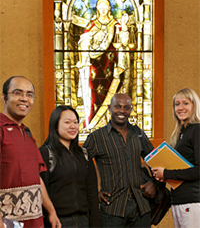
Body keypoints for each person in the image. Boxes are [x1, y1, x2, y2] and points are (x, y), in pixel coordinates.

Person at [83, 93, 156, 227]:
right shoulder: (97, 137)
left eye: (126, 107)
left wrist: (154, 183)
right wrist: (94, 192)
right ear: (110, 108)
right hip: (112, 210)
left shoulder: (138, 134)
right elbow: (81, 166)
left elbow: (156, 160)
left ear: (131, 110)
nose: (122, 111)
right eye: (118, 106)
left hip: (141, 208)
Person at [0, 76, 61, 228]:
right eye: (18, 93)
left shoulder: (26, 132)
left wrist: (51, 211)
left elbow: (36, 176)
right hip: (8, 222)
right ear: (4, 97)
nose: (24, 99)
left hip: (34, 221)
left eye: (29, 95)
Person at [39, 105, 99, 228]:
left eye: (76, 122)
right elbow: (40, 192)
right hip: (57, 222)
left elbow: (92, 192)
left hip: (84, 221)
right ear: (55, 125)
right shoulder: (45, 153)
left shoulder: (84, 154)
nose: (73, 126)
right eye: (67, 122)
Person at [77, 0, 131, 131]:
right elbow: (83, 41)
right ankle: (93, 123)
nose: (102, 10)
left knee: (111, 92)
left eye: (105, 8)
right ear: (96, 9)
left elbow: (124, 41)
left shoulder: (116, 24)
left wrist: (124, 27)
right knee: (94, 93)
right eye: (100, 8)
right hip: (94, 65)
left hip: (111, 63)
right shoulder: (92, 25)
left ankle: (109, 121)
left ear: (109, 9)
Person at [152, 88, 200, 228]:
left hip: (191, 201)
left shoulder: (197, 130)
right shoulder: (181, 133)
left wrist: (166, 173)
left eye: (185, 103)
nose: (180, 108)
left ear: (194, 106)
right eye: (177, 104)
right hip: (179, 200)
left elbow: (199, 170)